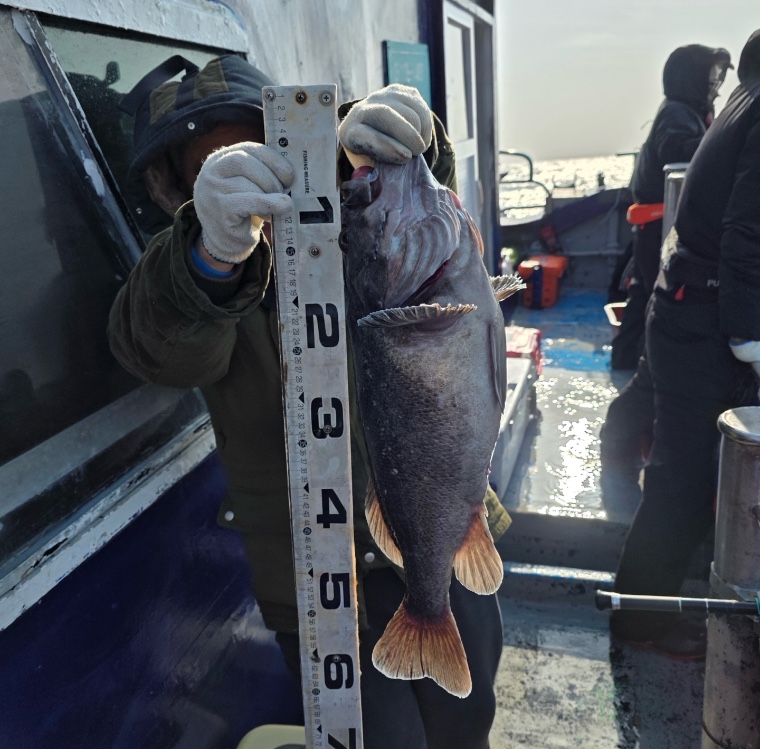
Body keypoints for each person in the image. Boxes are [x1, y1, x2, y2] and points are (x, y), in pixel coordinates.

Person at [108, 55, 511, 748]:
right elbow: (157, 346)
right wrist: (210, 255)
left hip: (445, 527)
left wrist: (415, 149)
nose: (254, 177)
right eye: (215, 169)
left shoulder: (358, 221)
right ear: (184, 190)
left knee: (468, 718)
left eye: (260, 149)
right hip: (315, 577)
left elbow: (426, 229)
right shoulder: (185, 274)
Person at [609, 30, 760, 658]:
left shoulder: (743, 102)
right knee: (683, 482)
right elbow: (746, 235)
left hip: (683, 306)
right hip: (702, 322)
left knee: (680, 470)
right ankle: (640, 623)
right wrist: (751, 343)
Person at [599, 45, 732, 521]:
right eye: (711, 76)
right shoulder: (678, 113)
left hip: (662, 228)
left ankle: (627, 364)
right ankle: (625, 369)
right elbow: (678, 153)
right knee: (644, 301)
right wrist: (722, 146)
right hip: (661, 227)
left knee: (642, 300)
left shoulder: (689, 110)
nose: (716, 85)